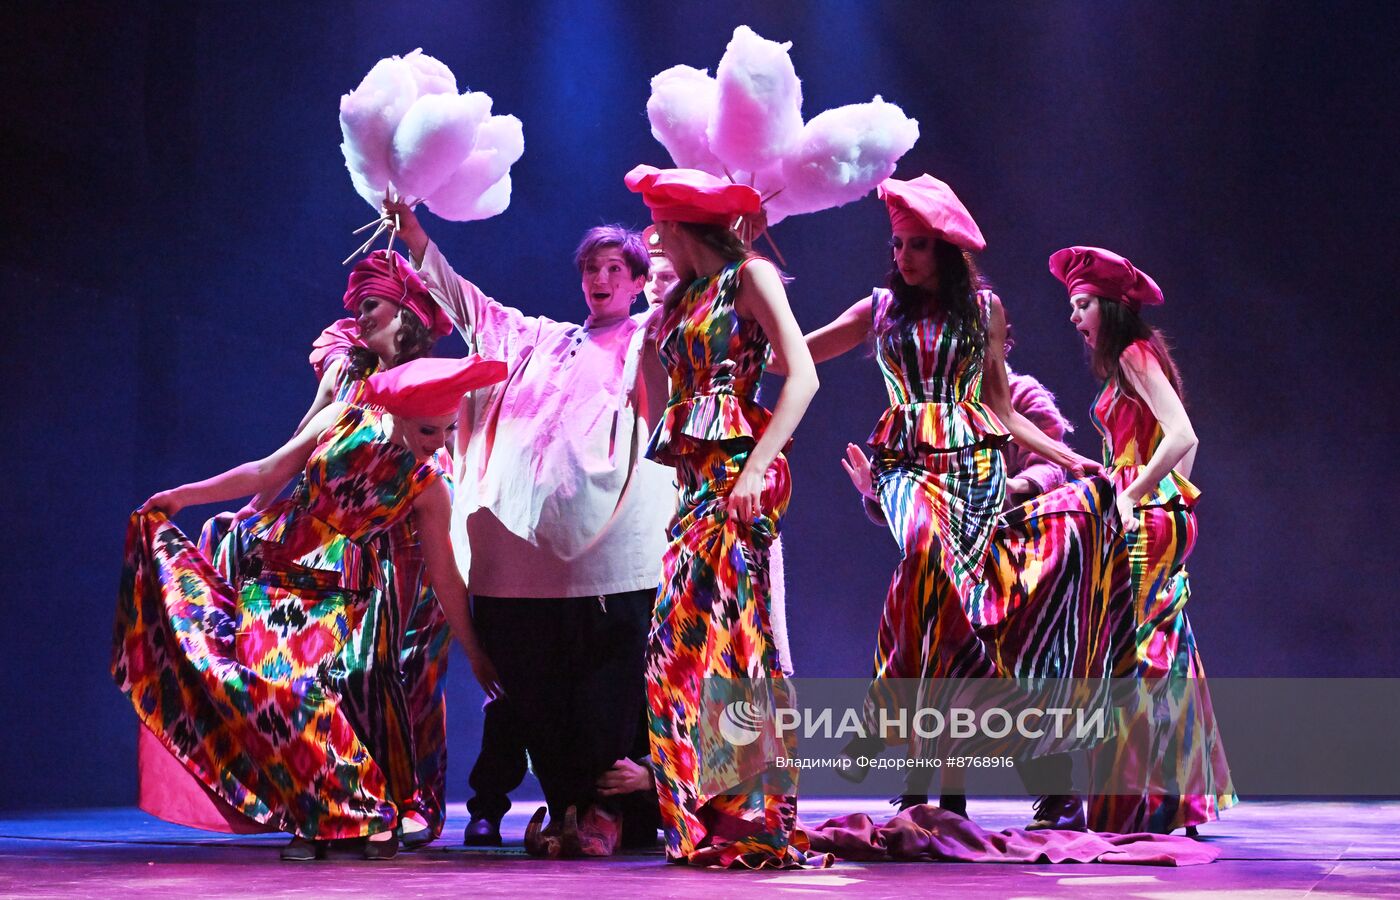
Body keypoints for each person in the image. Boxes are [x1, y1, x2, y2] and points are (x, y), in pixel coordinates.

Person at [794, 174, 1124, 830]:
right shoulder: (878, 309)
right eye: (897, 244)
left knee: (954, 609)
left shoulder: (986, 312)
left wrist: (1069, 460)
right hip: (905, 467)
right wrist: (748, 316)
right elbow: (795, 357)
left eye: (917, 245)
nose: (903, 257)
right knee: (924, 554)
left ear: (945, 249)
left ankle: (933, 776)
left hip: (975, 474)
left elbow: (1001, 409)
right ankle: (894, 726)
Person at [113, 356, 507, 861]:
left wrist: (473, 651)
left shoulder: (426, 486)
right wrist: (183, 496)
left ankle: (360, 812)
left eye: (449, 429)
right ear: (401, 414)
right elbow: (265, 471)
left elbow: (447, 578)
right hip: (273, 567)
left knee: (301, 694)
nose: (438, 442)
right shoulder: (340, 418)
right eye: (430, 429)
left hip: (339, 588)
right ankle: (318, 814)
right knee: (257, 690)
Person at [382, 199, 674, 856]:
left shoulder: (651, 337)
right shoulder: (536, 338)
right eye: (590, 268)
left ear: (634, 280)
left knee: (606, 716)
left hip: (609, 567)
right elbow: (467, 304)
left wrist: (714, 242)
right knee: (538, 715)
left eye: (612, 268)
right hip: (519, 574)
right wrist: (415, 233)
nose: (599, 278)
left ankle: (607, 811)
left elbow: (696, 308)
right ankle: (573, 810)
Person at [625, 164, 825, 869]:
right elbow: (659, 412)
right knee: (676, 650)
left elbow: (802, 374)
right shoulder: (677, 304)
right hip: (695, 490)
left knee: (732, 642)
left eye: (659, 230)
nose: (654, 244)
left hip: (742, 481)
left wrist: (755, 468)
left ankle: (749, 811)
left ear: (678, 229)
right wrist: (649, 353)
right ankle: (708, 810)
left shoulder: (751, 279)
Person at [1049, 245, 1235, 834]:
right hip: (1161, 514)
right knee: (1168, 648)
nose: (1075, 318)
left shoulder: (1131, 353)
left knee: (1138, 654)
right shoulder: (1141, 355)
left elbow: (1181, 433)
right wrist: (1170, 495)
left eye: (1083, 305)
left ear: (1110, 306)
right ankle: (1176, 801)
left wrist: (1134, 495)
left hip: (1144, 520)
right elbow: (1185, 445)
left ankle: (1146, 803)